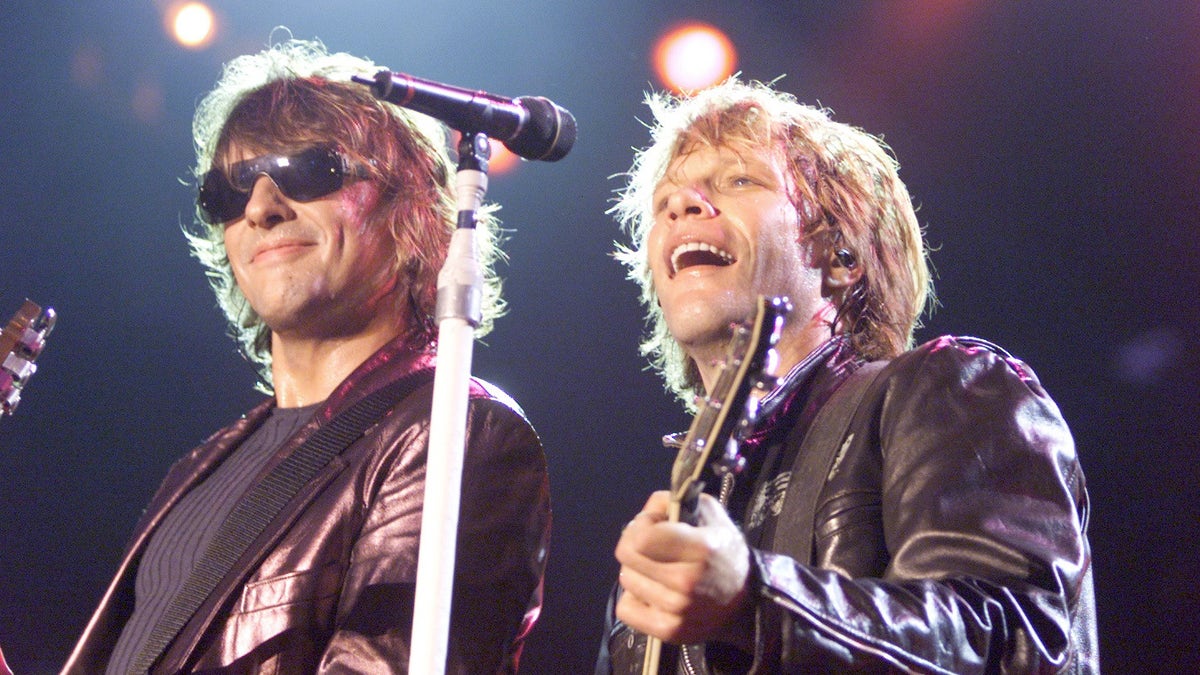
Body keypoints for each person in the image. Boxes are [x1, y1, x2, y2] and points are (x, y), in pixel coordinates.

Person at [62, 39, 550, 674]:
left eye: (309, 170)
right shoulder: (198, 470)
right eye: (229, 193)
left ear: (416, 209)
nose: (261, 208)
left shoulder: (456, 431)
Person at [597, 79, 1097, 673]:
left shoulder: (947, 388)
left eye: (738, 180)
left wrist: (756, 602)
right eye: (666, 202)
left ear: (841, 257)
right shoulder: (680, 518)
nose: (683, 205)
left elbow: (1011, 639)